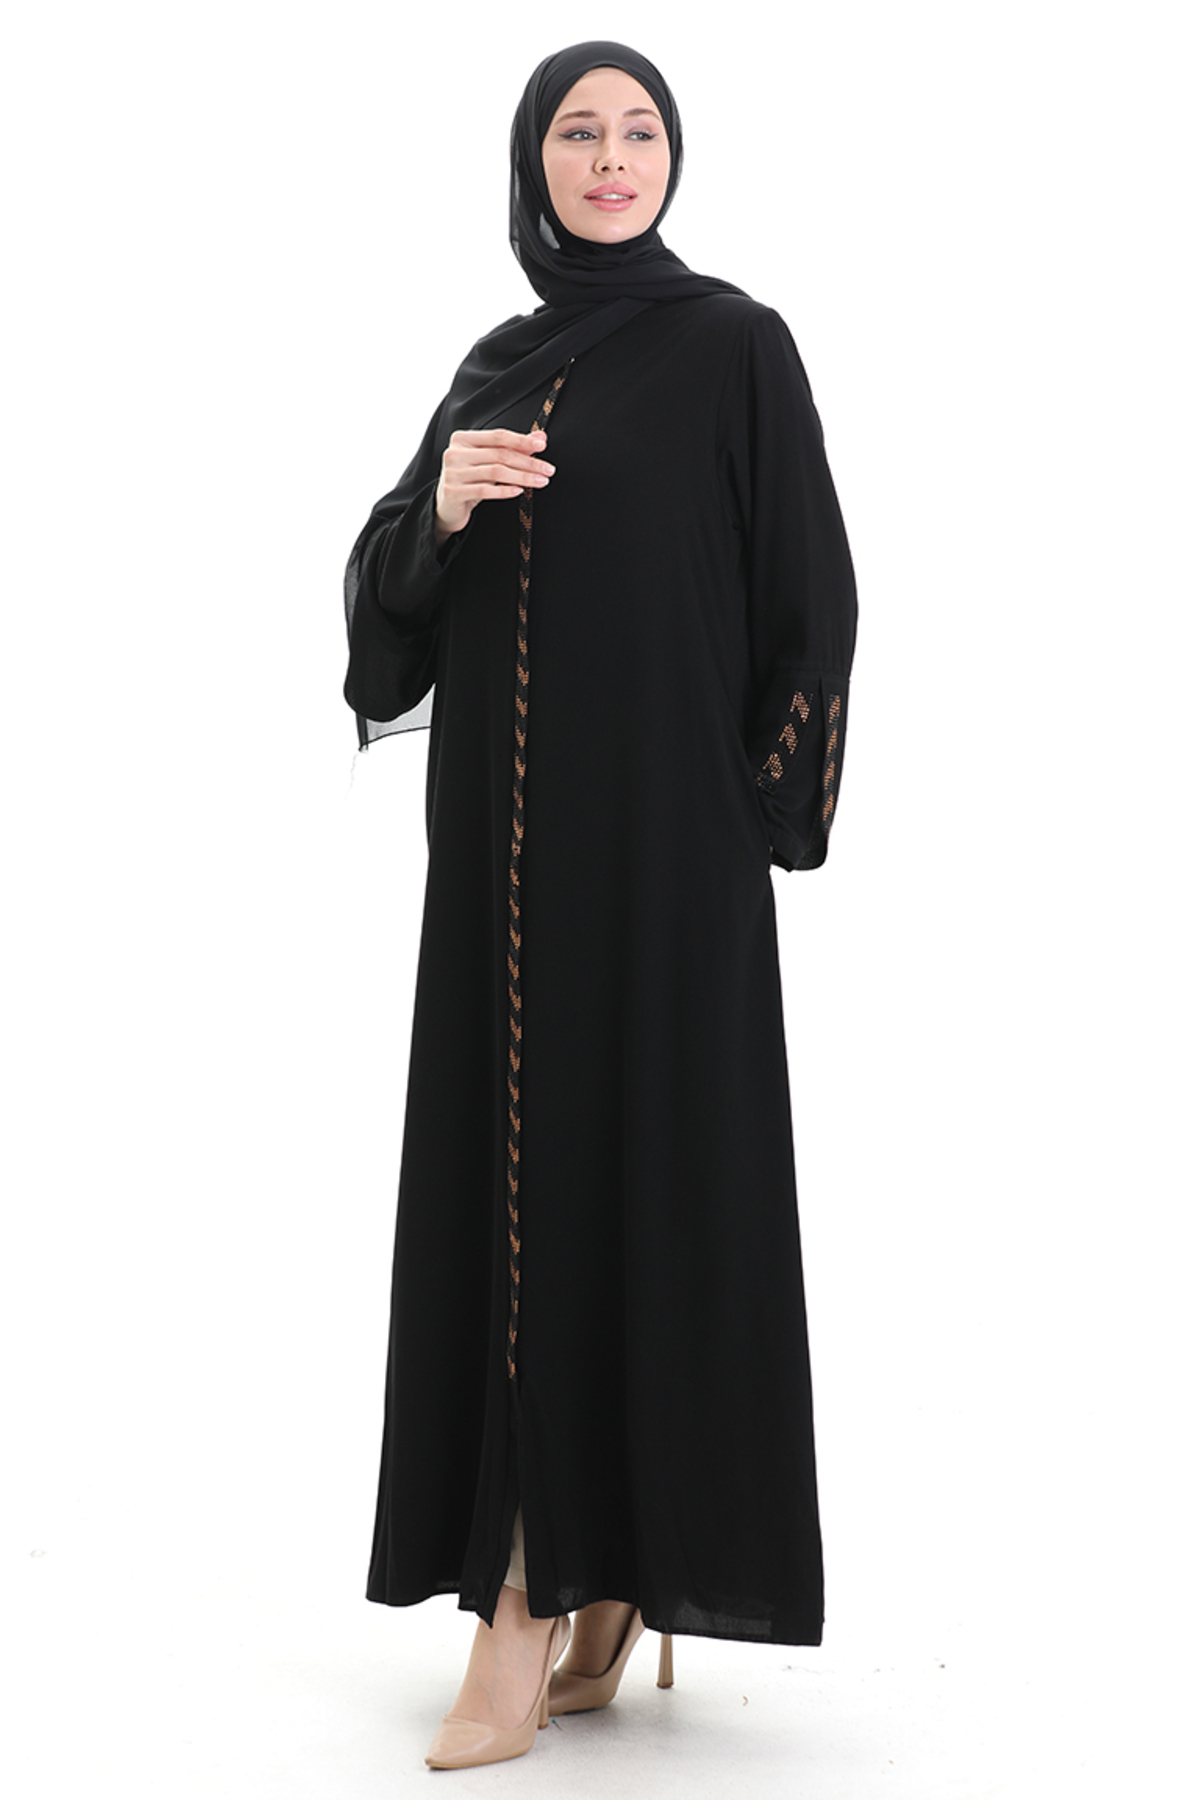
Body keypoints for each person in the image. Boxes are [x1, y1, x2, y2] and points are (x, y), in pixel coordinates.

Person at [342, 40, 859, 1773]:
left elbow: (812, 596)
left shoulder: (733, 347)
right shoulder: (495, 367)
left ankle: (553, 1594)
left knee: (643, 1192)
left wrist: (753, 818)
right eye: (578, 131)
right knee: (512, 1199)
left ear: (672, 160)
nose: (612, 156)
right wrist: (440, 507)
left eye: (639, 130)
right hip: (500, 880)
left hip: (664, 872)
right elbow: (386, 625)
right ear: (534, 163)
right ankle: (543, 1577)